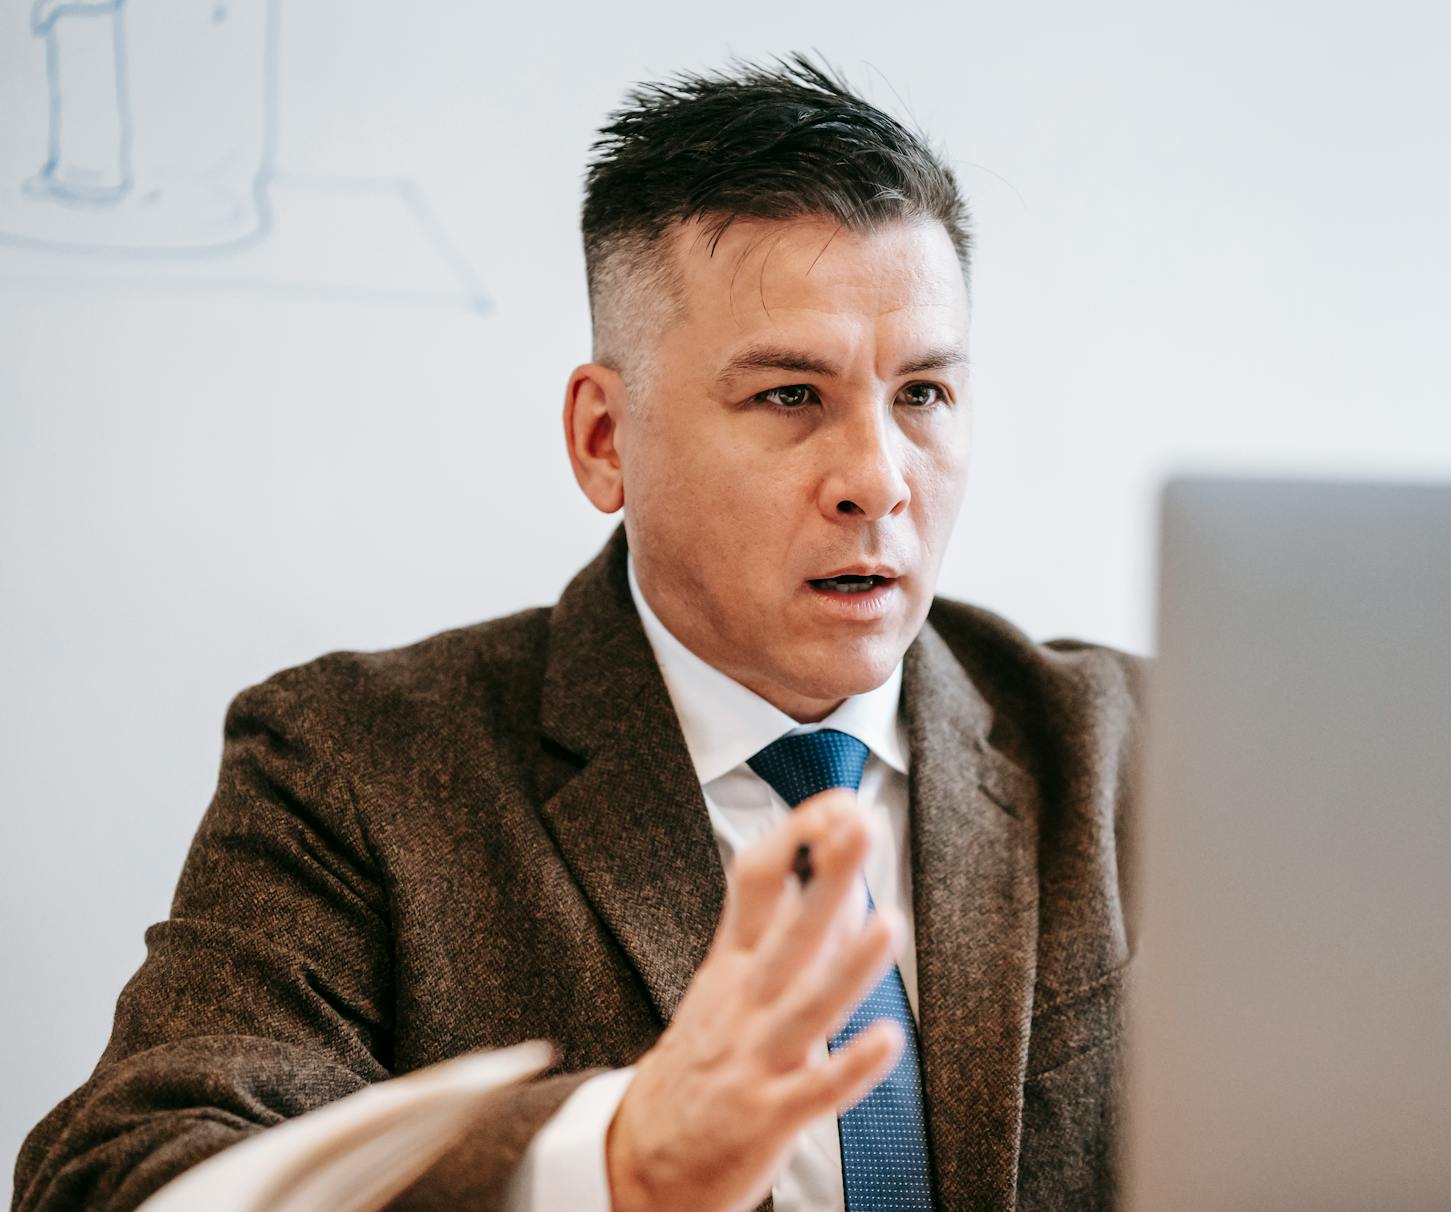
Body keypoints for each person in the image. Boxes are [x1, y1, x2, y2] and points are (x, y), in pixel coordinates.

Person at [12, 53, 1140, 1212]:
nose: (876, 479)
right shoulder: (352, 768)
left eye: (923, 395)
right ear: (606, 439)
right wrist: (609, 1161)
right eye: (790, 396)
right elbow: (115, 1180)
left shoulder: (1146, 748)